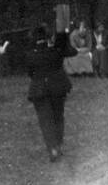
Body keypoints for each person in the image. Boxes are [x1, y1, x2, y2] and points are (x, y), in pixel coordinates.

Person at [25, 26, 76, 161]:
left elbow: (30, 73)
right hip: (57, 87)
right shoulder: (56, 51)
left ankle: (53, 148)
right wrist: (63, 35)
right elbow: (72, 51)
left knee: (45, 120)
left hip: (39, 90)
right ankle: (58, 145)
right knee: (58, 117)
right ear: (48, 37)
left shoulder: (30, 55)